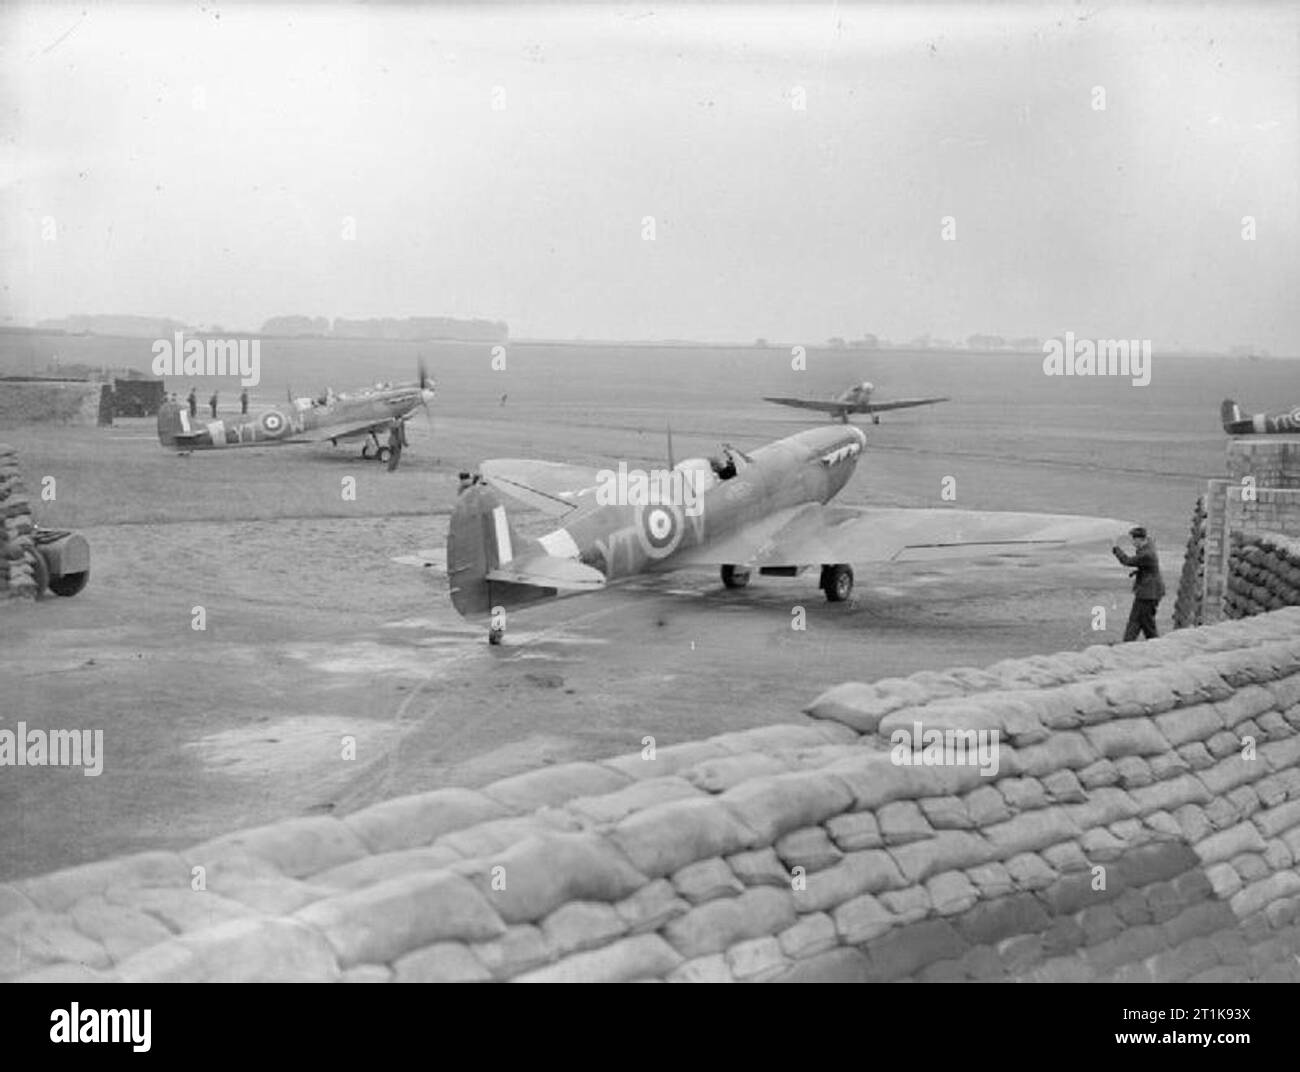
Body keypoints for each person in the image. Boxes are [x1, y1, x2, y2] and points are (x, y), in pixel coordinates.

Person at [1113, 526, 1165, 641]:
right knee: (1144, 622)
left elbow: (1127, 561)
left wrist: (1116, 548)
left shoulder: (1146, 554)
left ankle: (1129, 643)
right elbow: (1149, 539)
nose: (1132, 542)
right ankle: (1131, 643)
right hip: (1150, 592)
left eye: (1133, 539)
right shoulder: (1148, 544)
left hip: (1148, 593)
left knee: (1140, 621)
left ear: (1139, 539)